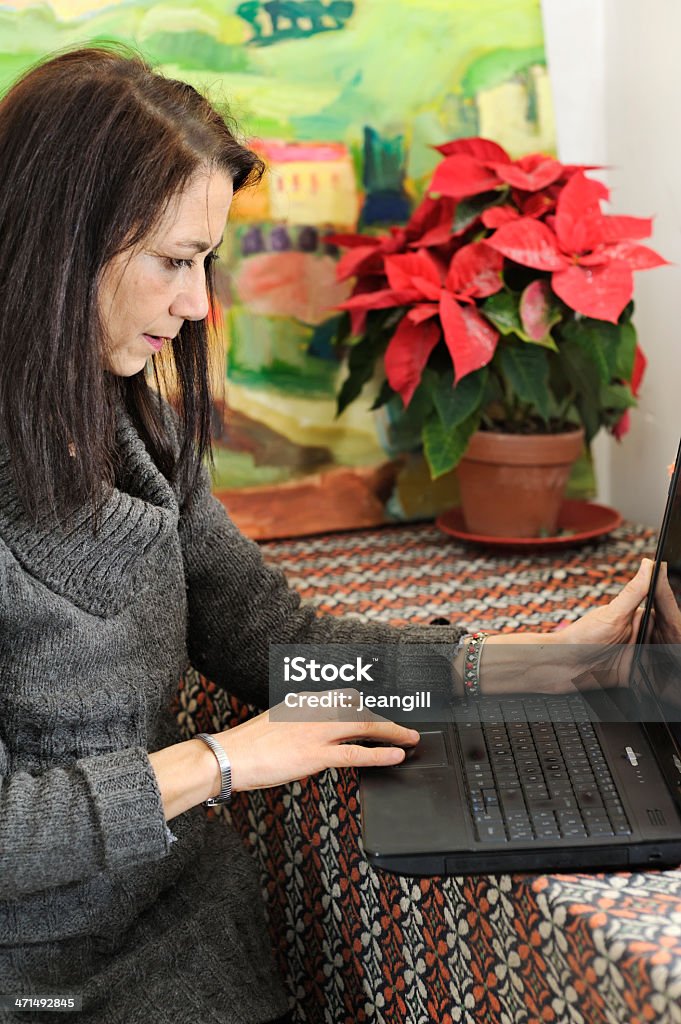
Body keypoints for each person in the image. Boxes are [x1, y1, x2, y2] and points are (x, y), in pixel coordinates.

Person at [0, 45, 654, 1024]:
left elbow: (287, 647)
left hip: (182, 938)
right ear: (59, 246)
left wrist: (546, 665)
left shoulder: (137, 430)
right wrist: (223, 760)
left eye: (207, 264)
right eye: (174, 263)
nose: (195, 305)